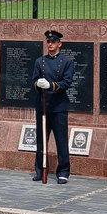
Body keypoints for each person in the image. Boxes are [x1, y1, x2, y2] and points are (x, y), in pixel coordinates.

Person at [32, 30, 74, 184]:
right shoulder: (39, 61)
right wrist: (38, 84)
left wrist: (50, 85)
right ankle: (40, 169)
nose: (50, 44)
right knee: (41, 140)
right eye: (48, 42)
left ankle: (63, 172)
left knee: (61, 141)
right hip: (42, 106)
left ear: (59, 44)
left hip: (58, 106)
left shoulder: (67, 62)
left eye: (53, 42)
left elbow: (66, 83)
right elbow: (34, 81)